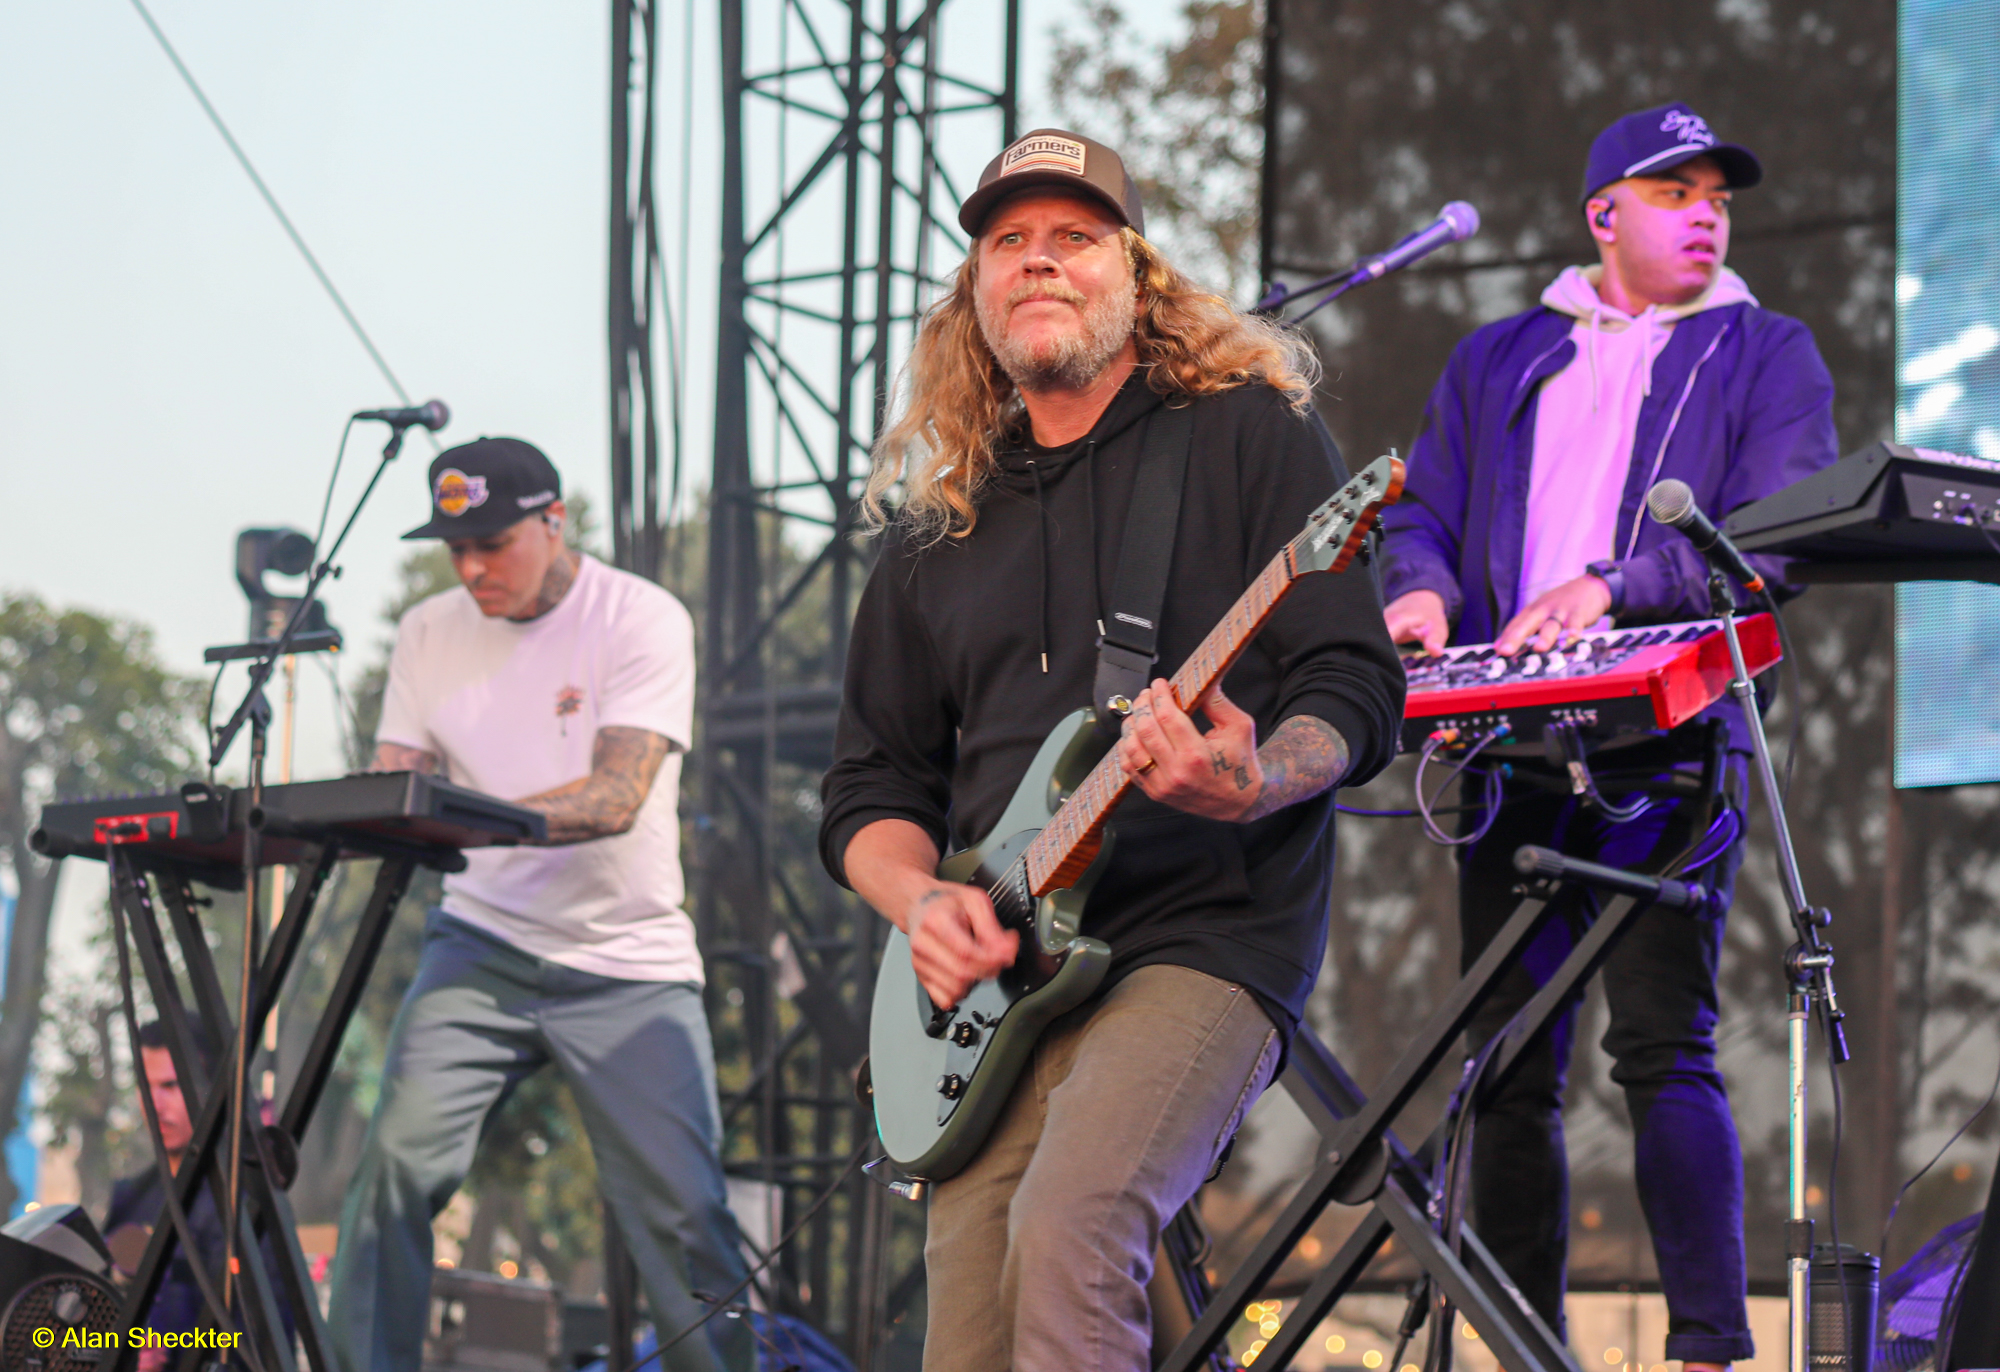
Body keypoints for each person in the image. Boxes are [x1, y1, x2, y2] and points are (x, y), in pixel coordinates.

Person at [819, 129, 1406, 1371]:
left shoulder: (1247, 437)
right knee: (969, 1334)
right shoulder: (937, 527)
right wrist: (921, 899)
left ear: (1134, 275)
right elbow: (872, 782)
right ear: (973, 297)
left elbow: (1349, 684)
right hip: (997, 980)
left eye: (1072, 237)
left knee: (1073, 1227)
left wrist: (1254, 779)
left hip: (1201, 931)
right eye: (1006, 243)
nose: (1037, 261)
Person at [1379, 102, 1840, 1364]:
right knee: (1507, 1063)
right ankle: (1530, 1344)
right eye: (1674, 191)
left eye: (1717, 198)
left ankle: (1704, 1349)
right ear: (1603, 213)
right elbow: (1417, 513)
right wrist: (1414, 589)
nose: (1705, 212)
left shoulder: (1766, 351)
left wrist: (1612, 588)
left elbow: (1774, 539)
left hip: (1672, 738)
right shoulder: (1495, 357)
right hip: (1508, 742)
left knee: (1660, 1044)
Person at [325, 438, 749, 1372]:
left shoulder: (639, 618)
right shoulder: (427, 632)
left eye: (494, 542)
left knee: (684, 1216)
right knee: (395, 1169)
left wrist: (457, 819)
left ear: (555, 523)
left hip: (628, 962)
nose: (473, 568)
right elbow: (402, 783)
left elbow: (614, 797)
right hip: (480, 945)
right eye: (455, 548)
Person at [103, 1021, 291, 1372]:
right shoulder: (131, 1199)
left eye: (171, 1085)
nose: (155, 1103)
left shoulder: (246, 1202)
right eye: (147, 1086)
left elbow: (263, 1340)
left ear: (208, 1088)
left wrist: (166, 1349)